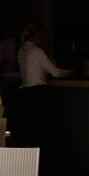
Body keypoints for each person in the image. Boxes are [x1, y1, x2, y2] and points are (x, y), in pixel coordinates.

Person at [16, 26, 70, 166]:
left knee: (29, 132)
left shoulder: (21, 51)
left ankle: (28, 165)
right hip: (38, 94)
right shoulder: (36, 51)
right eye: (41, 37)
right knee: (40, 132)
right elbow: (55, 73)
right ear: (35, 37)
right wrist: (69, 72)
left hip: (25, 94)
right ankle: (43, 165)